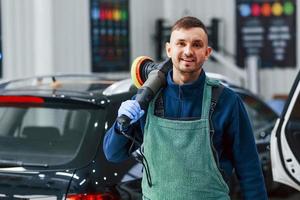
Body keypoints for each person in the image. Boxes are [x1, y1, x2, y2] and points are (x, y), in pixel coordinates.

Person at [103, 16, 268, 200]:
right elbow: (113, 154)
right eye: (181, 43)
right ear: (169, 49)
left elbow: (249, 169)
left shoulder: (226, 101)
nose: (188, 51)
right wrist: (120, 126)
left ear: (207, 52)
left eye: (197, 45)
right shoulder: (147, 100)